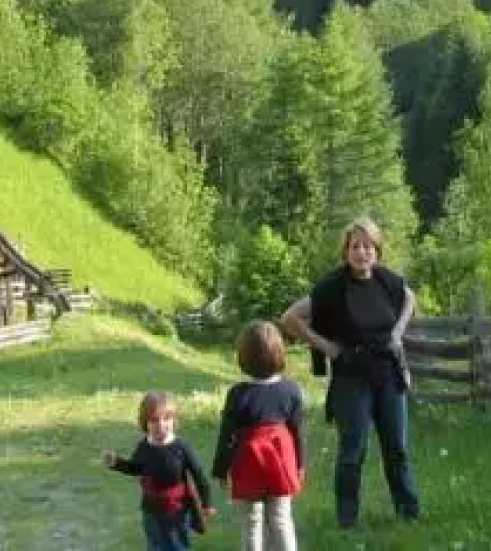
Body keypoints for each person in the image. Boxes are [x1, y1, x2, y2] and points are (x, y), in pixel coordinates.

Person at [280, 218, 421, 529]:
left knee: (396, 448)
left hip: (388, 374)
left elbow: (410, 298)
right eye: (355, 246)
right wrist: (327, 347)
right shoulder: (332, 287)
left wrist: (397, 333)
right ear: (345, 252)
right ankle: (347, 519)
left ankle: (408, 513)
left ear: (377, 251)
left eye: (367, 246)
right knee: (353, 451)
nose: (362, 252)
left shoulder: (388, 282)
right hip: (351, 378)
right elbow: (290, 317)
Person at [213, 321, 305, 550]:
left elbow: (226, 435)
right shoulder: (291, 390)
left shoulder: (238, 394)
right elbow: (296, 432)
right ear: (279, 354)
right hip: (281, 462)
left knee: (251, 522)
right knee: (281, 518)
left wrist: (220, 470)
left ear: (243, 357)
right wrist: (300, 465)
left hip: (248, 464)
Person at [104, 391, 216, 550]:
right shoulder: (144, 446)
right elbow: (136, 468)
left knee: (177, 545)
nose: (161, 425)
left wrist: (207, 503)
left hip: (176, 510)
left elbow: (199, 476)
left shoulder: (181, 447)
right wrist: (117, 463)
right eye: (154, 420)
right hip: (150, 511)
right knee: (155, 544)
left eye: (166, 418)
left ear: (174, 420)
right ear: (145, 423)